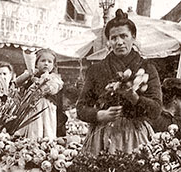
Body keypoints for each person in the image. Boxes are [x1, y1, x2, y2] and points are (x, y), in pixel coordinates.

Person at [76, 9, 162, 154]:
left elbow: (156, 110)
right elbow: (81, 108)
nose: (119, 42)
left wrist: (135, 98)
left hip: (135, 137)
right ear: (109, 41)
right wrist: (99, 115)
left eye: (124, 36)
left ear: (133, 37)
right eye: (114, 38)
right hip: (102, 137)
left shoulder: (147, 68)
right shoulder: (96, 69)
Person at [21, 48, 66, 139]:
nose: (46, 63)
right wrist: (29, 75)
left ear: (53, 65)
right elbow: (19, 85)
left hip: (46, 108)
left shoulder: (54, 78)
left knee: (46, 130)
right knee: (33, 130)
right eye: (42, 61)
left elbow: (50, 89)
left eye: (49, 62)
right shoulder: (31, 76)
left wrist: (39, 80)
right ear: (36, 63)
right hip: (32, 109)